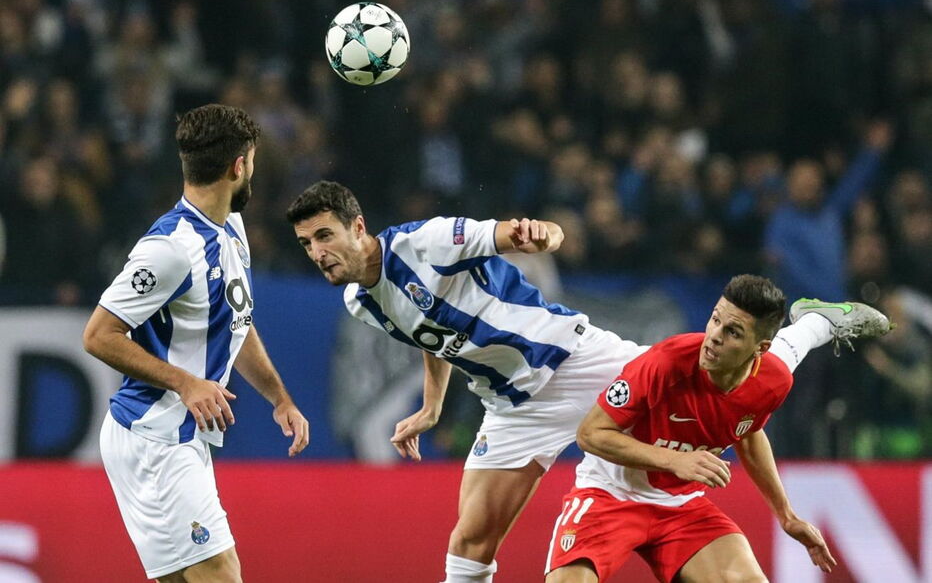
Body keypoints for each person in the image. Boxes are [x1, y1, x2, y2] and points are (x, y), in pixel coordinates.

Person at [286, 180, 649, 583]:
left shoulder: (427, 242)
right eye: (306, 244)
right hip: (512, 407)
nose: (317, 253)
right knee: (469, 547)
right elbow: (428, 333)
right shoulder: (359, 302)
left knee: (696, 380)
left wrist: (545, 234)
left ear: (357, 227)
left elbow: (522, 232)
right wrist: (431, 405)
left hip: (573, 361)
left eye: (324, 236)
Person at [83, 104, 310, 583]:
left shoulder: (232, 228)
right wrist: (186, 382)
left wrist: (279, 398)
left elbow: (237, 322)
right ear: (240, 165)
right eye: (254, 164)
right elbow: (99, 334)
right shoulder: (170, 248)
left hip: (182, 438)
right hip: (153, 437)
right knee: (223, 573)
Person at [545, 276, 892, 582]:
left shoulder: (772, 380)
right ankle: (820, 321)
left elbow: (749, 433)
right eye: (714, 320)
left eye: (733, 332)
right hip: (611, 493)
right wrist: (672, 460)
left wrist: (786, 516)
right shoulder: (665, 363)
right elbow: (590, 434)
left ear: (759, 349)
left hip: (681, 505)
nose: (713, 337)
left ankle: (818, 318)